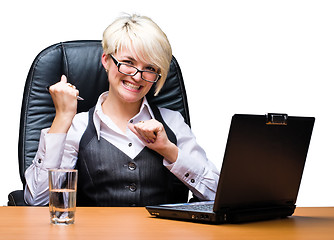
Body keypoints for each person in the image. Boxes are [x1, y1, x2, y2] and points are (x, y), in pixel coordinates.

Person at [24, 14, 219, 206]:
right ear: (106, 60)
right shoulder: (77, 126)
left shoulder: (172, 122)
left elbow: (218, 195)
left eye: (150, 68)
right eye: (128, 63)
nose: (137, 76)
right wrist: (63, 117)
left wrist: (169, 150)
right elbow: (38, 201)